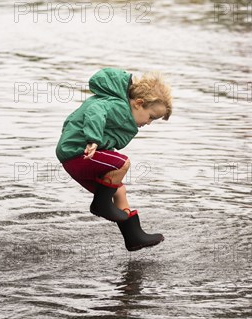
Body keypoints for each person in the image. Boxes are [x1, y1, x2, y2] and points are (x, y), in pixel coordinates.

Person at [56, 68, 172, 251]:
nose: (148, 123)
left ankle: (133, 236)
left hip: (76, 156)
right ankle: (101, 205)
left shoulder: (124, 110)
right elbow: (94, 110)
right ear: (139, 103)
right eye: (151, 117)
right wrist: (93, 139)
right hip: (76, 152)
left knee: (119, 191)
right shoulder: (118, 106)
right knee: (122, 163)